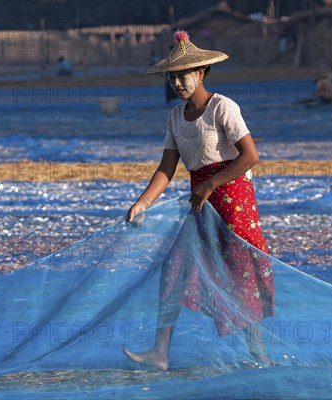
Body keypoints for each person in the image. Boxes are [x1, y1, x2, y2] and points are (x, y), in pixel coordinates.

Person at [122, 30, 275, 370]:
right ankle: (160, 352)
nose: (178, 82)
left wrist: (211, 184)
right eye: (172, 76)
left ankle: (260, 359)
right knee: (173, 269)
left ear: (201, 72)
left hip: (233, 203)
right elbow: (166, 168)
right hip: (201, 203)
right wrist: (142, 203)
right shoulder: (176, 117)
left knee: (239, 277)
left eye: (184, 75)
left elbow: (250, 156)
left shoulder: (223, 107)